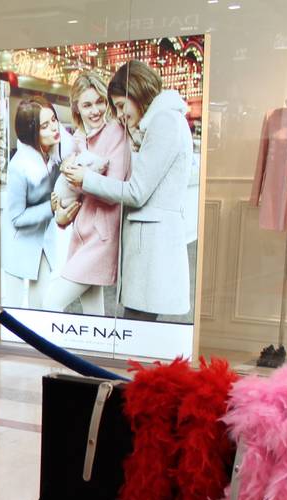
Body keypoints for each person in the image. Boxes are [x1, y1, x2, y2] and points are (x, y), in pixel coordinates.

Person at [62, 60, 193, 320]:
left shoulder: (164, 121)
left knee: (137, 332)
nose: (119, 114)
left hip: (152, 249)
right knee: (139, 331)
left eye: (121, 105)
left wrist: (86, 179)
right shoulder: (162, 121)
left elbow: (136, 191)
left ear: (136, 92)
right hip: (151, 247)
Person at [43, 72, 130, 315]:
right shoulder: (78, 140)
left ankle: (54, 353)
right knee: (94, 316)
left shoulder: (117, 133)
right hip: (81, 235)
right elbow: (70, 194)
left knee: (51, 302)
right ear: (77, 109)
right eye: (87, 104)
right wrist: (61, 217)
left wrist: (81, 178)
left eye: (100, 101)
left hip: (101, 239)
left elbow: (114, 191)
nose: (95, 110)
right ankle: (90, 354)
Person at [1, 96, 79, 309]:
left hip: (43, 242)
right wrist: (51, 207)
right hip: (19, 244)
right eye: (45, 125)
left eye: (54, 120)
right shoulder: (20, 166)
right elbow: (16, 217)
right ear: (31, 132)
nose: (54, 127)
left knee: (41, 306)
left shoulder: (55, 154)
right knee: (14, 311)